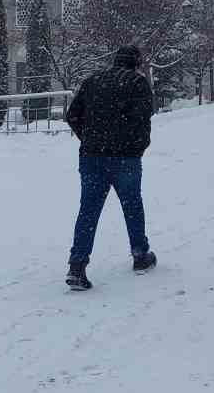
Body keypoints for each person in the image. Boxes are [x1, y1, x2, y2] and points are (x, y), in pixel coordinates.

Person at [62, 45, 157, 291]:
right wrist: (136, 146)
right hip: (125, 157)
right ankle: (140, 255)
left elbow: (72, 115)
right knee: (132, 205)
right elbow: (143, 118)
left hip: (92, 157)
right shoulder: (137, 83)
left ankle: (77, 266)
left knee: (88, 211)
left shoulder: (93, 81)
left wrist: (90, 139)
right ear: (136, 63)